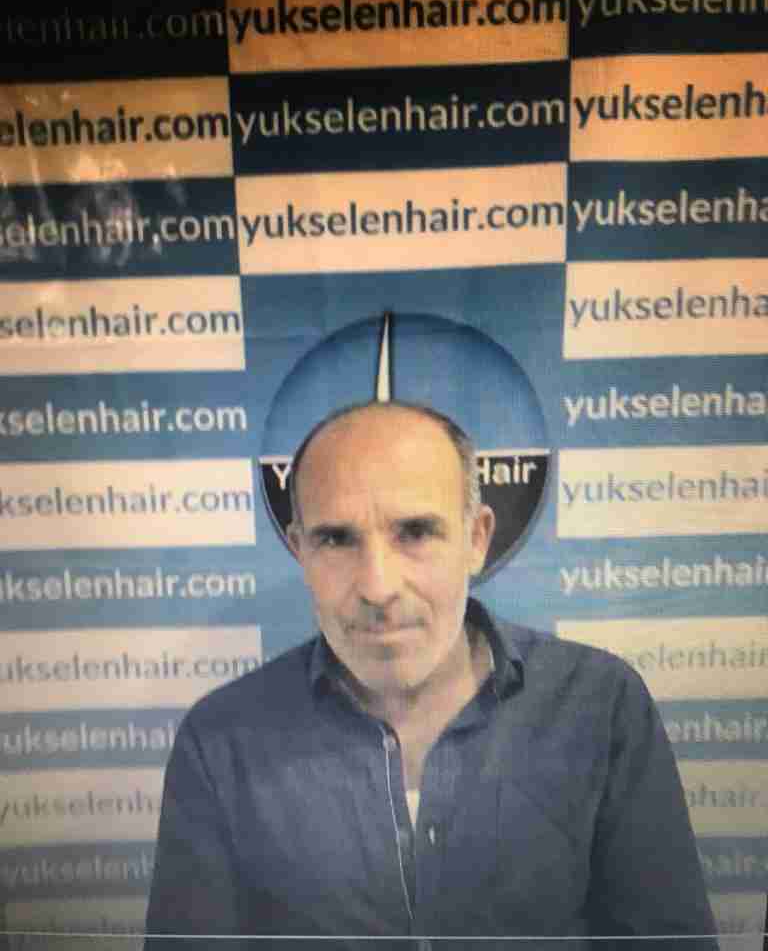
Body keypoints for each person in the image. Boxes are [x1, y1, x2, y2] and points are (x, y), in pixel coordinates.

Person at [145, 400, 716, 948]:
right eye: (336, 539)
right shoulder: (221, 741)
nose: (378, 587)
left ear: (477, 539)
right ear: (300, 551)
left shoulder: (600, 705)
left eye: (415, 532)